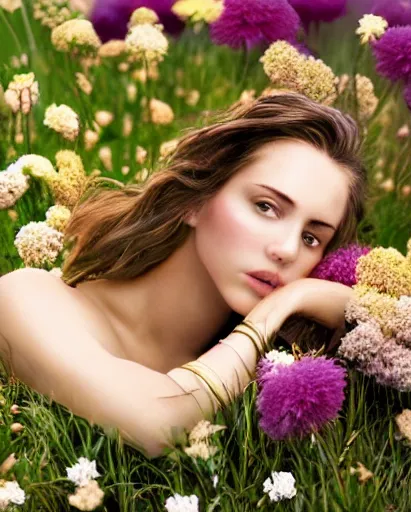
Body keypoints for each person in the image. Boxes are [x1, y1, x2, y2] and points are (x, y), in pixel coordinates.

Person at [0, 93, 369, 457]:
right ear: (197, 199)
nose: (287, 250)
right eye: (266, 207)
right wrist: (286, 301)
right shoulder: (26, 297)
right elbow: (157, 425)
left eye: (311, 237)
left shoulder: (256, 383)